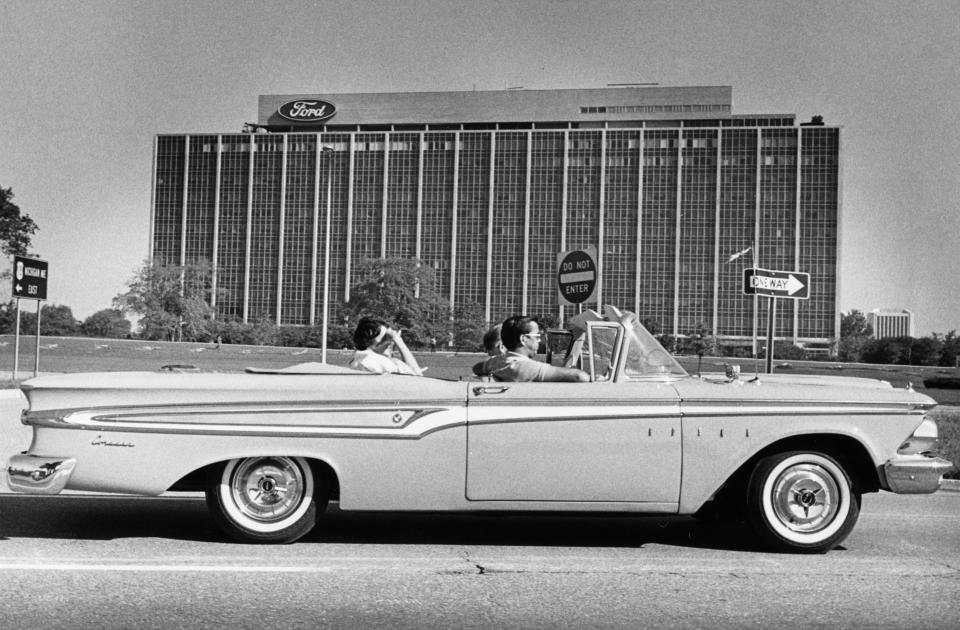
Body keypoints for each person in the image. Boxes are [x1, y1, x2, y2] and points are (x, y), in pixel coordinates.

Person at [475, 316, 588, 382]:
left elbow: (477, 367)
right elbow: (579, 376)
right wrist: (594, 378)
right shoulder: (527, 367)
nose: (539, 341)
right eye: (537, 336)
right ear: (523, 339)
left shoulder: (497, 362)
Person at [349, 317, 423, 376]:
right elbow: (416, 375)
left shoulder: (359, 358)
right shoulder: (375, 360)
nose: (390, 341)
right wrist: (398, 340)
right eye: (385, 337)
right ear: (368, 342)